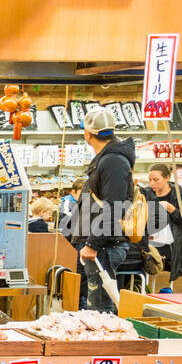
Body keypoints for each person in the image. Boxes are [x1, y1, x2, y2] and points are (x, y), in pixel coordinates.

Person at [63, 109, 137, 314]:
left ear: (87, 134)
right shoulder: (108, 158)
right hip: (96, 242)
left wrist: (93, 243)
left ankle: (104, 346)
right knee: (90, 305)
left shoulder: (113, 161)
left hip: (104, 245)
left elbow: (114, 207)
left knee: (100, 307)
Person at [141, 163, 182, 284]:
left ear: (167, 178)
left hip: (170, 244)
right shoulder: (147, 194)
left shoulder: (179, 195)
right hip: (148, 240)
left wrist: (172, 209)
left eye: (156, 180)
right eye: (150, 180)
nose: (152, 183)